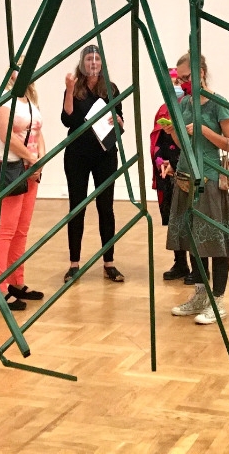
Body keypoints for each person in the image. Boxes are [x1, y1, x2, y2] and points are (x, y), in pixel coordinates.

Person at [166, 52, 229, 325]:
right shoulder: (185, 102)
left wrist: (202, 130)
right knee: (191, 239)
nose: (183, 82)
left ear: (200, 72)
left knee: (215, 240)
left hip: (209, 178)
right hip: (186, 177)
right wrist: (174, 132)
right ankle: (200, 295)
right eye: (180, 79)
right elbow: (184, 142)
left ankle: (217, 300)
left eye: (187, 77)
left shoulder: (217, 104)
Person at [61, 43, 125, 284]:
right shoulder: (74, 87)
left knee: (106, 208)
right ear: (82, 63)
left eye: (97, 59)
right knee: (77, 207)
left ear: (102, 63)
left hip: (104, 154)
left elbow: (121, 121)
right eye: (89, 59)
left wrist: (118, 121)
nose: (93, 63)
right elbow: (67, 119)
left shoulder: (111, 88)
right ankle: (74, 264)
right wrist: (69, 90)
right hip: (77, 154)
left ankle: (109, 262)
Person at [0, 63, 46, 312]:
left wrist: (40, 159)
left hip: (30, 168)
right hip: (10, 167)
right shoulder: (4, 99)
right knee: (6, 229)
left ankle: (16, 280)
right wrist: (31, 158)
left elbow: (39, 133)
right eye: (20, 68)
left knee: (21, 229)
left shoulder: (30, 101)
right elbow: (6, 136)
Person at [150, 67, 191, 281]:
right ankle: (180, 263)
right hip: (167, 173)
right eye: (171, 83)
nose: (175, 87)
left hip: (184, 169)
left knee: (190, 219)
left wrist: (176, 164)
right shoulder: (162, 110)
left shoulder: (189, 108)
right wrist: (160, 163)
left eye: (178, 82)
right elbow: (157, 142)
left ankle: (197, 265)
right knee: (174, 220)